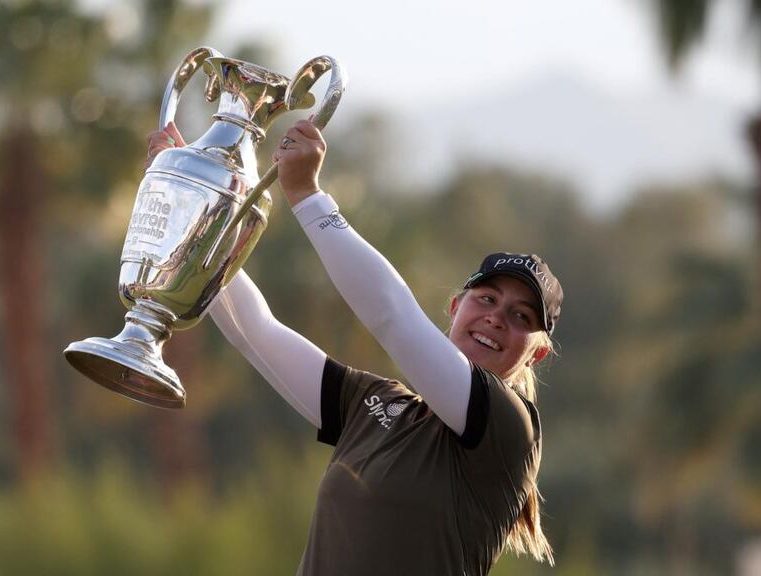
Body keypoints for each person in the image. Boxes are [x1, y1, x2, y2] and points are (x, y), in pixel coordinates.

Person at [146, 118, 564, 575]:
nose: (496, 318)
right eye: (487, 298)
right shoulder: (373, 403)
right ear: (455, 306)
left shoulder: (507, 426)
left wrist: (307, 196)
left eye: (521, 317)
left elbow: (391, 314)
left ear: (537, 353)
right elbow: (254, 331)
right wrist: (192, 201)